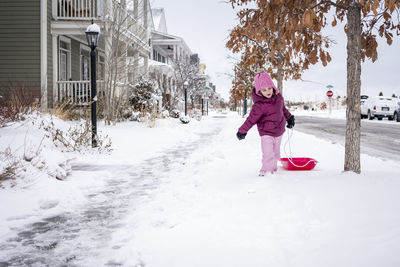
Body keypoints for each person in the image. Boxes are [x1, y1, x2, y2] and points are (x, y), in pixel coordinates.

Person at [236, 72, 295, 176]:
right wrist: (242, 130)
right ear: (259, 91)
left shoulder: (279, 98)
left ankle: (273, 170)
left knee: (276, 153)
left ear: (273, 87)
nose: (268, 91)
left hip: (279, 131)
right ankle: (266, 171)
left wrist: (290, 118)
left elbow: (283, 110)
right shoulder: (259, 105)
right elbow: (251, 119)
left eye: (269, 88)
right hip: (266, 132)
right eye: (264, 90)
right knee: (268, 153)